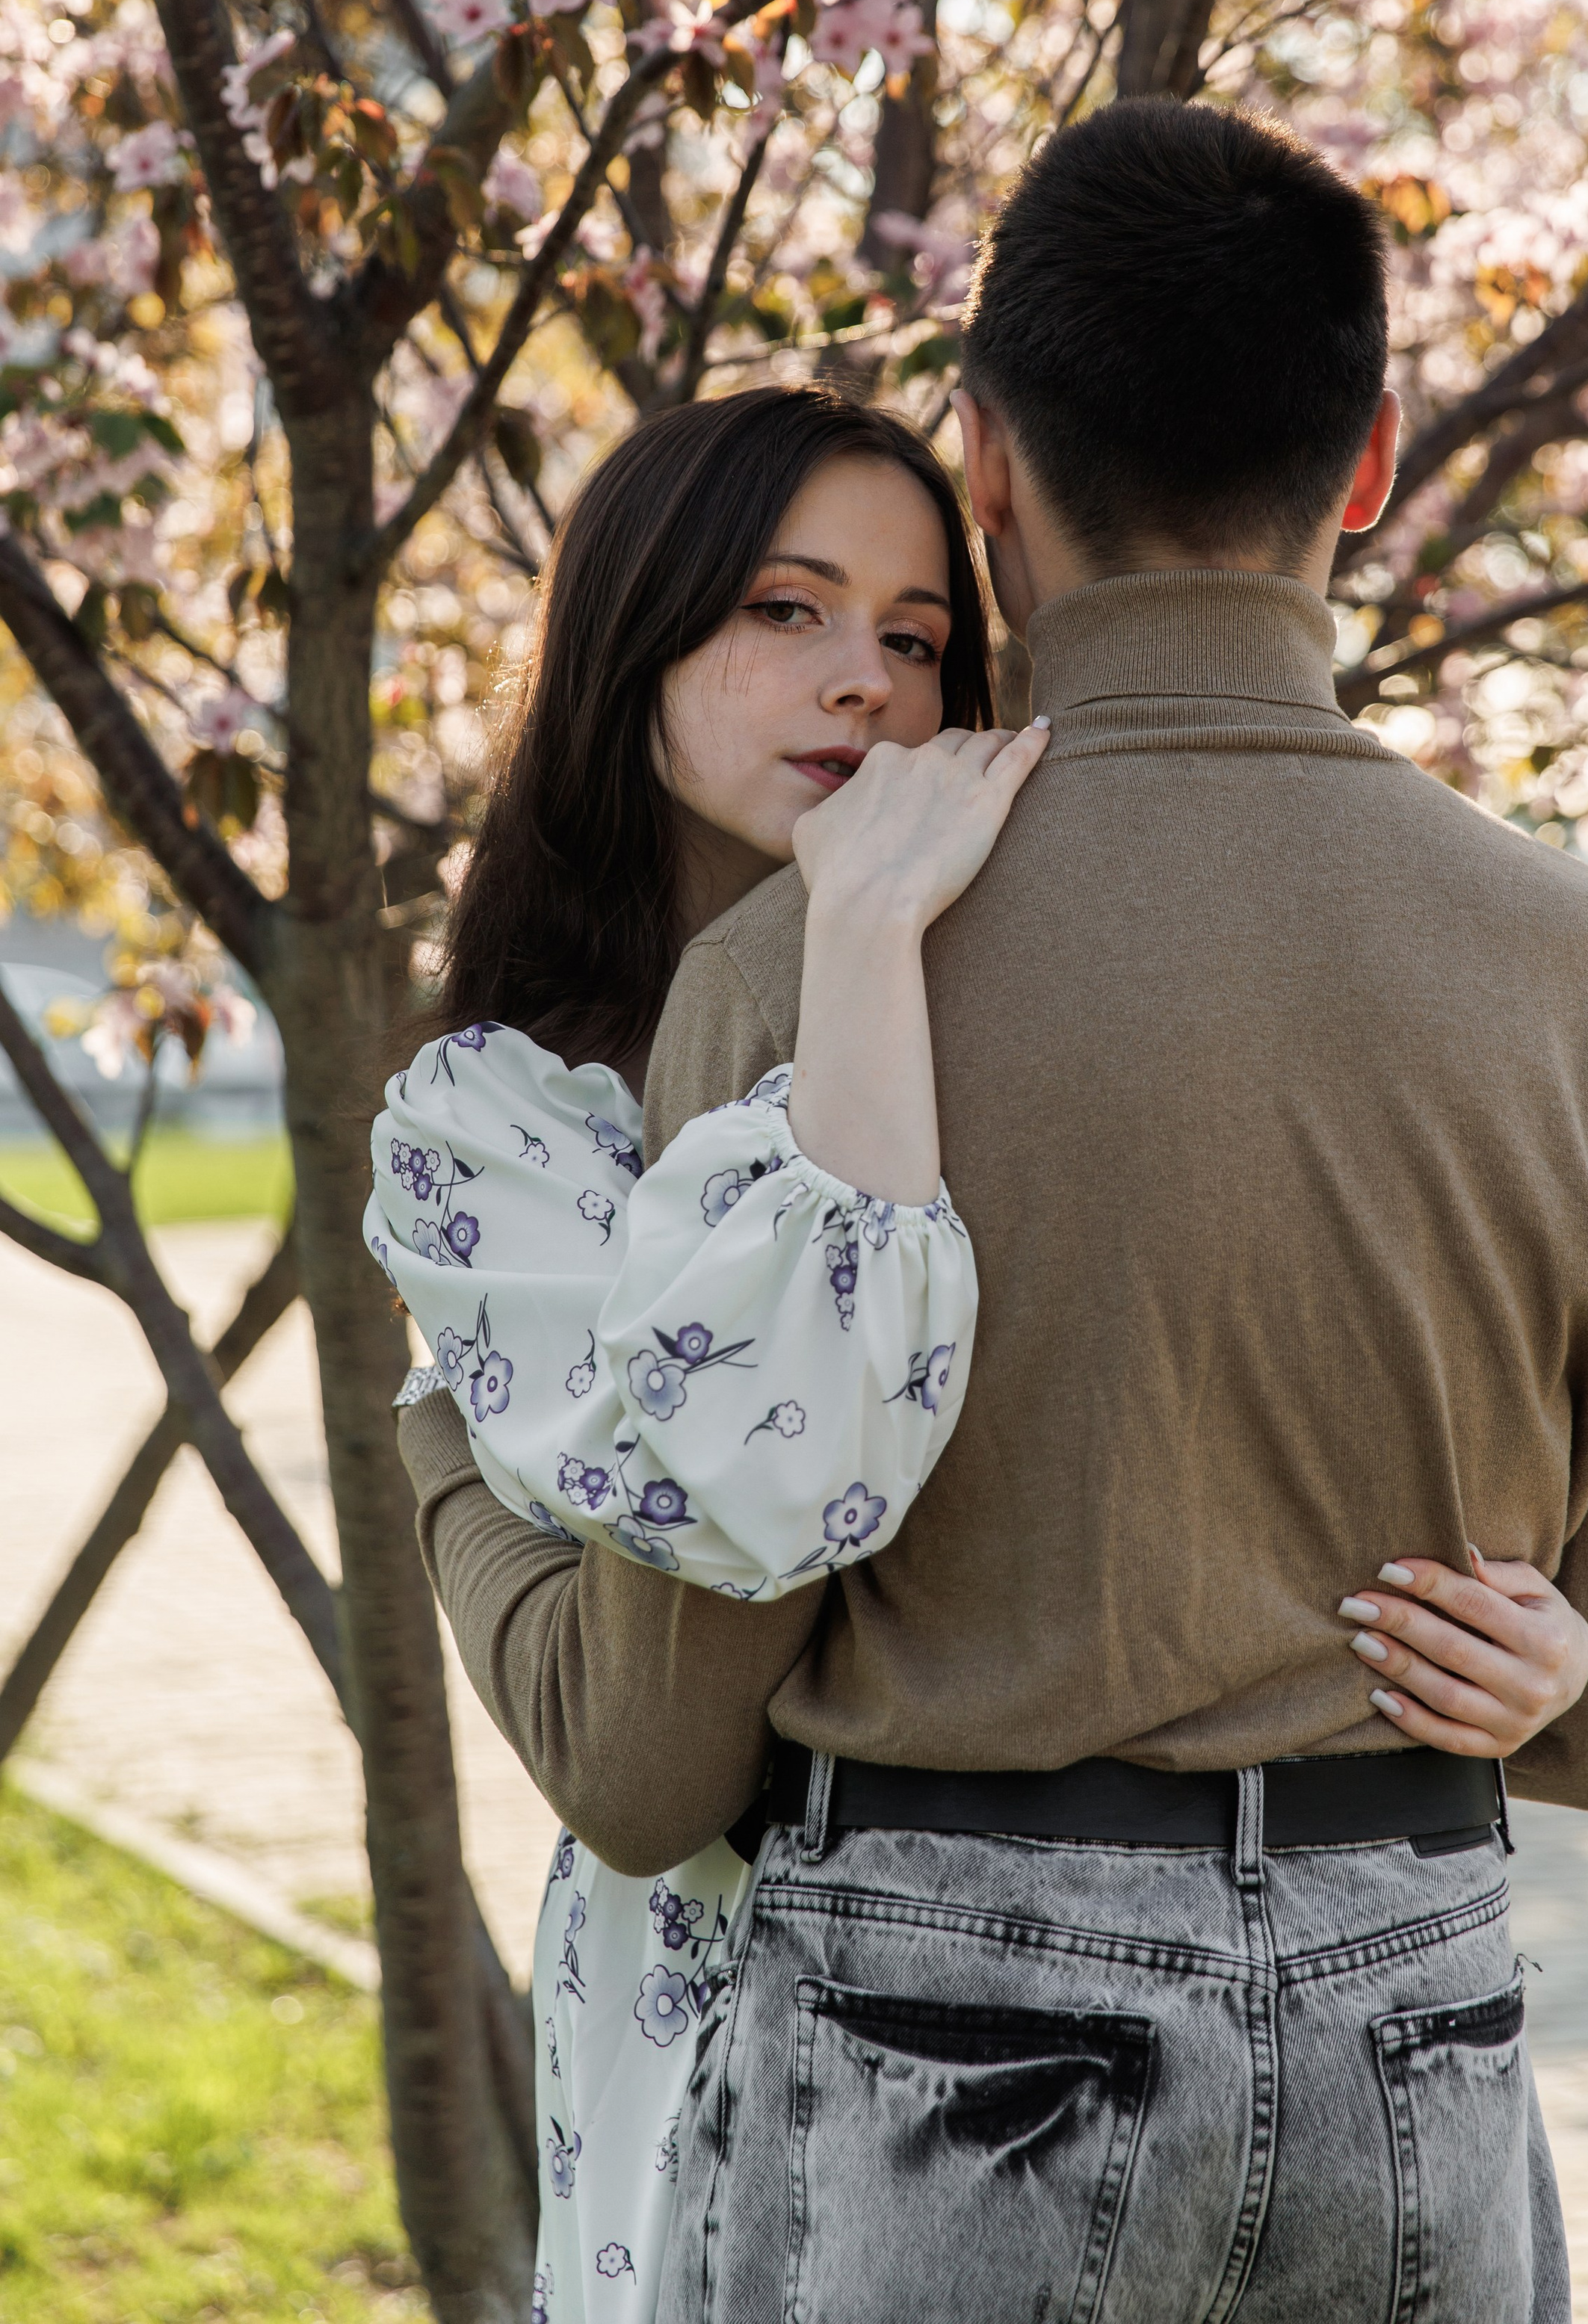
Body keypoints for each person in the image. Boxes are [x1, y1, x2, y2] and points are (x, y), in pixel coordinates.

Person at [400, 102, 1588, 2320]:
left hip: (945, 2042)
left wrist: (444, 1446)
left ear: (987, 469)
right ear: (1372, 461)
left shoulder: (808, 971)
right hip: (1421, 2019)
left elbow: (659, 1751)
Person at [367, 383, 1050, 2318]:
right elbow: (730, 1545)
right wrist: (851, 948)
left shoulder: (1026, 1013)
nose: (865, 683)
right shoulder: (492, 1120)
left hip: (1045, 1990)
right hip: (708, 2008)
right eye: (785, 609)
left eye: (916, 636)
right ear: (632, 635)